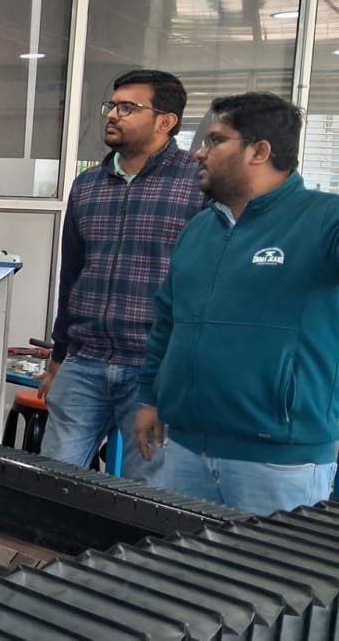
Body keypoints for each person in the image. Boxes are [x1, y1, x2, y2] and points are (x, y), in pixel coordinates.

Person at [135, 92, 339, 516]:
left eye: (215, 141)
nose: (199, 155)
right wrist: (151, 398)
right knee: (181, 578)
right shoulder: (199, 229)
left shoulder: (323, 222)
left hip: (278, 460)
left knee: (271, 581)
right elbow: (167, 322)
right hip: (186, 448)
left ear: (259, 151)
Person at [38, 70, 203, 482]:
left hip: (153, 369)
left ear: (166, 121)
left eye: (128, 108)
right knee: (52, 485)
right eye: (112, 106)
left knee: (144, 496)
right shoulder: (88, 185)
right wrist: (59, 357)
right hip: (84, 361)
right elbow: (72, 275)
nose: (113, 115)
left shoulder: (197, 184)